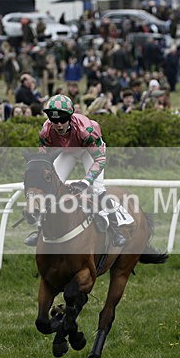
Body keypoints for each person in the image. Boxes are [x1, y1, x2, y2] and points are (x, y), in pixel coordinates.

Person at [24, 94, 128, 248]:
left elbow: (100, 160)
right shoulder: (45, 131)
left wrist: (85, 182)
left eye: (62, 120)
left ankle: (115, 229)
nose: (58, 125)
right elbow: (43, 160)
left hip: (89, 150)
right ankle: (40, 229)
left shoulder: (86, 130)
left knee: (97, 189)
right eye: (54, 120)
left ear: (70, 117)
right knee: (50, 186)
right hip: (67, 150)